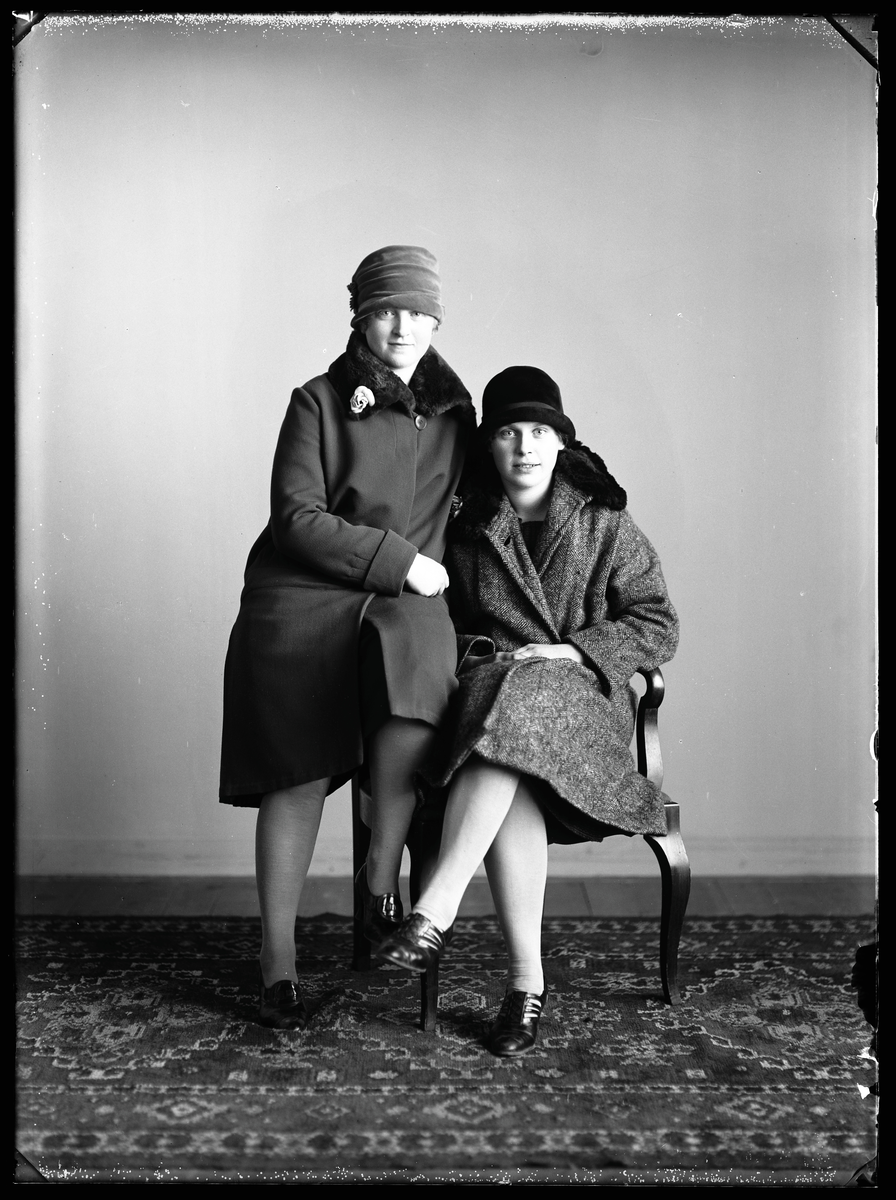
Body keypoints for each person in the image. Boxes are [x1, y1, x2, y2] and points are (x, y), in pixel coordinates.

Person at [375, 365, 679, 1056]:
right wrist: (493, 658)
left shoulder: (602, 519)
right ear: (489, 444)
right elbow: (438, 623)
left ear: (561, 440)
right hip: (489, 705)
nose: (525, 447)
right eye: (509, 432)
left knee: (519, 713)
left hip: (582, 713)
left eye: (540, 432)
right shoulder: (466, 522)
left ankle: (435, 909)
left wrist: (573, 652)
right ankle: (525, 986)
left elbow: (658, 622)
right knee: (509, 731)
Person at [219, 246, 475, 1029]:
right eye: (387, 310)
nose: (403, 326)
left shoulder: (458, 414)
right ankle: (278, 962)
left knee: (417, 676)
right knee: (297, 770)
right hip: (307, 590)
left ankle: (378, 872)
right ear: (360, 316)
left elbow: (505, 491)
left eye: (419, 312)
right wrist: (403, 562)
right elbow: (295, 518)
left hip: (402, 596)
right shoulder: (317, 401)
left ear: (437, 319)